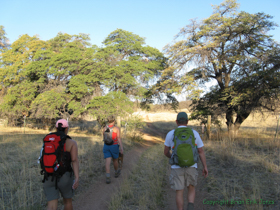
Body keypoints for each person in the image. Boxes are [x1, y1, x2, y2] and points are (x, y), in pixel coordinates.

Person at [164, 112, 208, 210]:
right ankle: (191, 205)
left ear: (176, 122)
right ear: (187, 121)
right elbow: (200, 151)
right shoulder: (194, 133)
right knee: (191, 188)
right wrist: (205, 166)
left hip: (176, 166)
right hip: (192, 165)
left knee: (179, 191)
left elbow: (166, 152)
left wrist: (173, 158)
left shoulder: (171, 134)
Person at [42, 119, 79, 210]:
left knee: (51, 204)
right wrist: (77, 177)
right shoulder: (71, 143)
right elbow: (74, 160)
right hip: (65, 176)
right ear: (67, 129)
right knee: (67, 202)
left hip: (48, 175)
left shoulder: (48, 140)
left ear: (56, 128)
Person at [103, 115, 124, 184]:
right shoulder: (116, 129)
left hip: (106, 146)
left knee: (107, 162)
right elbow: (119, 138)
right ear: (114, 121)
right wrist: (121, 147)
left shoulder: (104, 128)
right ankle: (116, 172)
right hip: (114, 146)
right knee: (115, 160)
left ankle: (108, 177)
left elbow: (104, 137)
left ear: (108, 121)